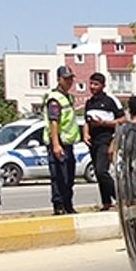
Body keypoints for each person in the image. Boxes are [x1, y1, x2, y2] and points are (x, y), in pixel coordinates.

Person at [81, 72, 124, 211]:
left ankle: (120, 197)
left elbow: (123, 119)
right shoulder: (89, 103)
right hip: (93, 141)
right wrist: (85, 134)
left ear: (103, 85)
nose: (92, 87)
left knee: (101, 171)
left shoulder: (111, 100)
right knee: (98, 173)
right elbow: (86, 121)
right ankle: (106, 202)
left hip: (106, 139)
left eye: (96, 84)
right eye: (91, 84)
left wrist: (104, 123)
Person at [44, 65, 80, 215]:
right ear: (59, 79)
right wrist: (56, 144)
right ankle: (59, 205)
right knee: (59, 176)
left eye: (71, 78)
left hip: (68, 143)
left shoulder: (68, 97)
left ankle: (68, 204)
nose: (69, 81)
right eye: (66, 79)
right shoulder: (54, 99)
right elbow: (54, 122)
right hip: (58, 142)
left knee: (69, 177)